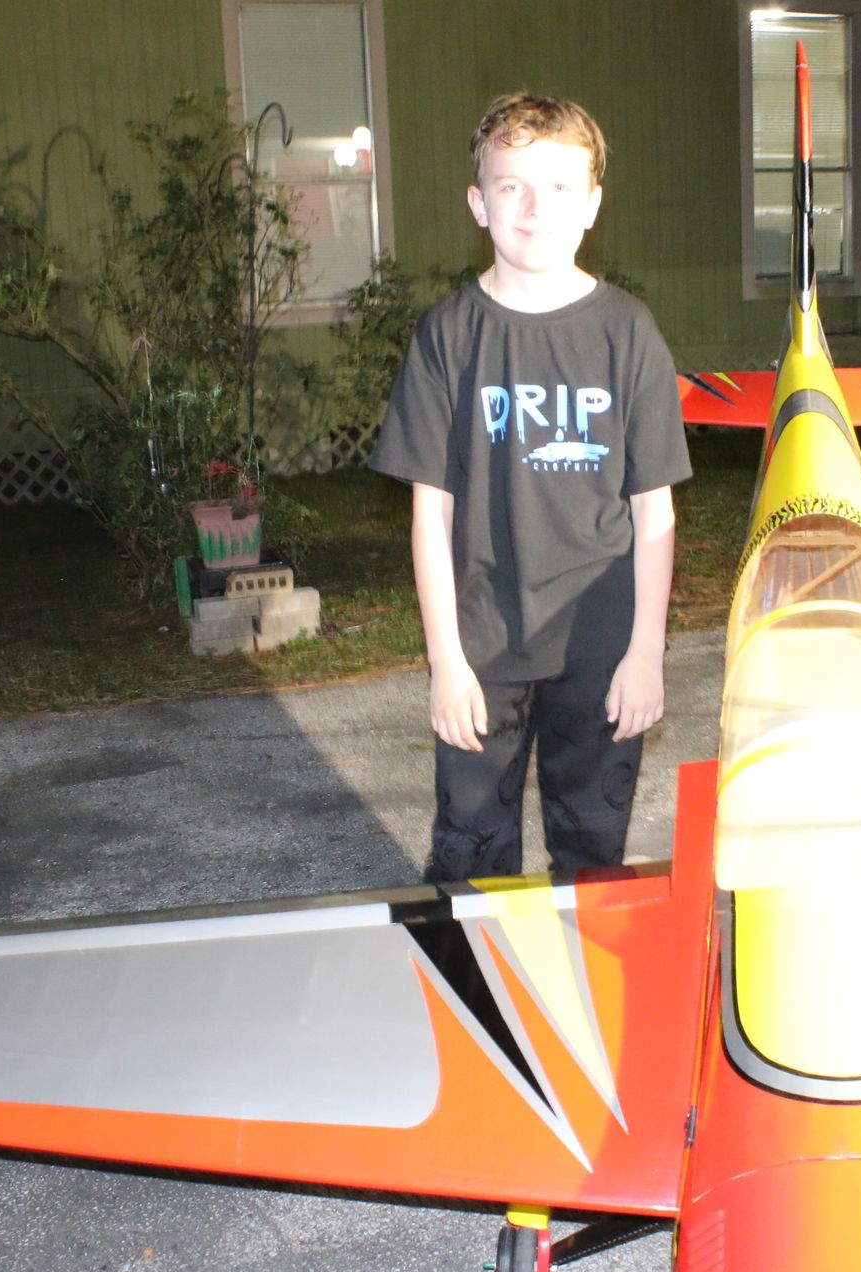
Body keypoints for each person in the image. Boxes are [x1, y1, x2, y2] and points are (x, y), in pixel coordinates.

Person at [368, 90, 691, 883]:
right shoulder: (448, 336)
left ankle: (581, 968)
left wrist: (645, 651)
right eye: (511, 185)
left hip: (601, 643)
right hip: (484, 639)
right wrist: (446, 660)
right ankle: (481, 968)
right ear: (479, 203)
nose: (535, 208)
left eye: (559, 187)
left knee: (593, 857)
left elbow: (654, 511)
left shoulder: (628, 332)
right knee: (470, 857)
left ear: (592, 206)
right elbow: (430, 514)